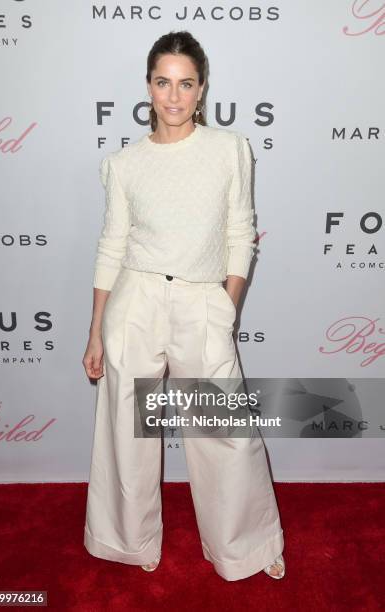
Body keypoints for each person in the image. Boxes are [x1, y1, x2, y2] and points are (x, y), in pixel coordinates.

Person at [82, 30, 285, 581]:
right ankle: (128, 542)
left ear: (202, 89)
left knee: (222, 430)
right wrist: (96, 330)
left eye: (185, 84)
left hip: (202, 300)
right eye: (162, 82)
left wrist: (227, 306)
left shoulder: (229, 149)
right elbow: (112, 247)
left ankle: (245, 547)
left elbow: (241, 234)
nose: (173, 96)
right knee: (127, 431)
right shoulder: (124, 163)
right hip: (136, 299)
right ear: (148, 86)